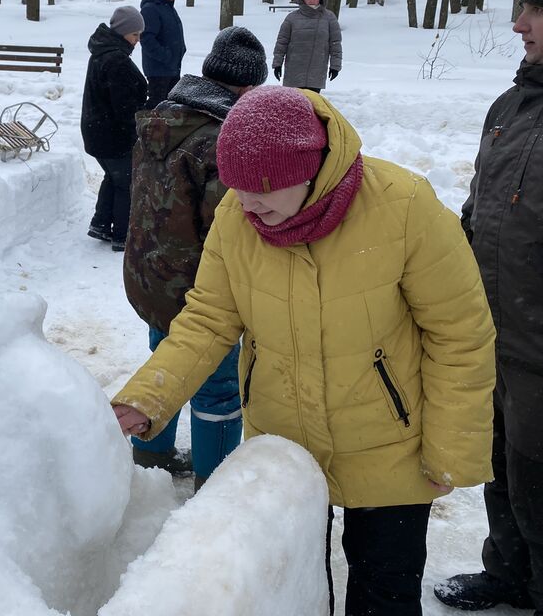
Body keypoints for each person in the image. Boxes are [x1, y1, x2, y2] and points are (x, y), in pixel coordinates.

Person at [112, 86, 497, 615]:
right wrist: (147, 398)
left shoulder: (404, 207)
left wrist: (451, 449)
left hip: (390, 446)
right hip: (286, 443)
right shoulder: (236, 216)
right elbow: (207, 320)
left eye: (263, 188)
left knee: (385, 594)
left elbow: (460, 333)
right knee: (295, 588)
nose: (247, 203)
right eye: (238, 187)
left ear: (312, 169)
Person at [433, 0, 543, 616]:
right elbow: (480, 211)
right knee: (504, 467)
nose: (518, 25)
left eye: (536, 12)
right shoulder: (509, 107)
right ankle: (507, 574)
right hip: (498, 335)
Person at [123, 26, 268, 489]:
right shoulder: (222, 139)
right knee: (217, 387)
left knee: (165, 363)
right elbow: (232, 227)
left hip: (151, 276)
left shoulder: (164, 115)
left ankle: (150, 458)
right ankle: (215, 481)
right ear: (246, 86)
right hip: (197, 290)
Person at [81, 5, 149, 252]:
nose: (137, 41)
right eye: (135, 35)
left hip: (97, 131)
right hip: (113, 135)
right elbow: (124, 107)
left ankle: (100, 224)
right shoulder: (116, 59)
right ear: (123, 32)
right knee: (126, 183)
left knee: (114, 177)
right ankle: (123, 235)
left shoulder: (102, 52)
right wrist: (139, 125)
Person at [272, 0, 342, 93]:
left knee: (312, 104)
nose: (312, 0)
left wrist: (335, 66)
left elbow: (335, 43)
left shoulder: (329, 18)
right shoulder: (292, 18)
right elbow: (282, 42)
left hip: (317, 71)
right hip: (294, 71)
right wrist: (277, 64)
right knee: (293, 104)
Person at [140, 0, 187, 106]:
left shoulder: (168, 7)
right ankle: (145, 126)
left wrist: (180, 51)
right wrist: (166, 56)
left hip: (172, 68)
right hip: (158, 71)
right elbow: (146, 39)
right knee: (158, 107)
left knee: (169, 108)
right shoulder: (150, 9)